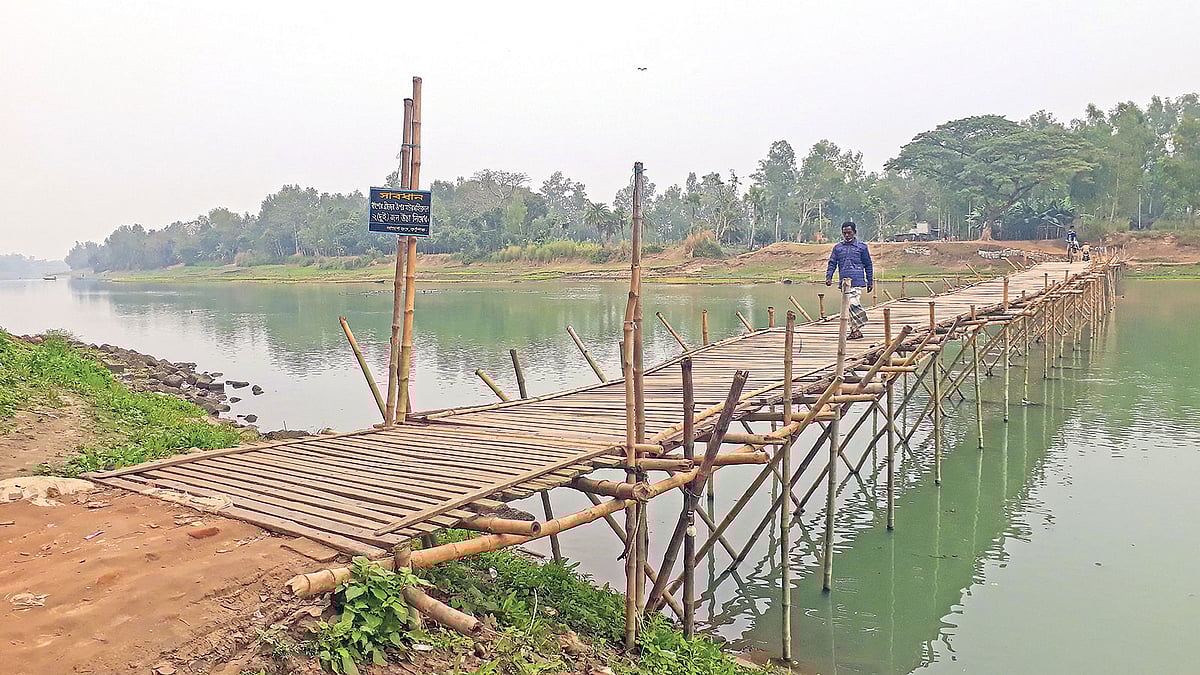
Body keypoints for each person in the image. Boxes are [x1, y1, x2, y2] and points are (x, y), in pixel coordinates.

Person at [825, 221, 874, 340]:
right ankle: (855, 330)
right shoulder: (838, 248)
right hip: (844, 283)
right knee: (848, 307)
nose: (847, 235)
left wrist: (870, 281)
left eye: (849, 233)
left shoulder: (862, 247)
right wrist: (829, 277)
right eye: (844, 233)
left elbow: (868, 264)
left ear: (854, 233)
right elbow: (832, 263)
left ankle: (861, 319)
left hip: (857, 281)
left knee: (852, 303)